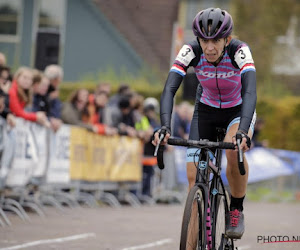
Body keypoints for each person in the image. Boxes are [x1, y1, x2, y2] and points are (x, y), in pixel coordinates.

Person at [153, 8, 257, 239]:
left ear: (227, 39)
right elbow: (170, 88)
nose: (209, 47)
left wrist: (243, 131)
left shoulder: (240, 50)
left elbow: (250, 92)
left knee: (233, 149)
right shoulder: (190, 50)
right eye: (204, 40)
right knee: (194, 180)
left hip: (237, 111)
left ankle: (236, 209)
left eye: (216, 40)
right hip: (205, 111)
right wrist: (165, 126)